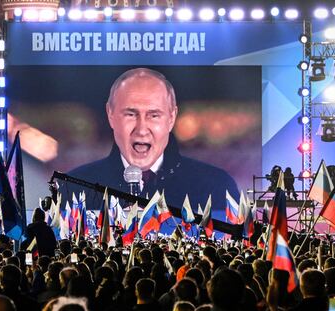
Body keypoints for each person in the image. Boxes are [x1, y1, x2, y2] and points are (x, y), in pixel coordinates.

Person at [61, 68, 239, 230]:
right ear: (111, 115)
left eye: (154, 115)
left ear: (171, 117)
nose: (142, 129)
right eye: (131, 114)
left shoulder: (216, 186)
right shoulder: (74, 188)